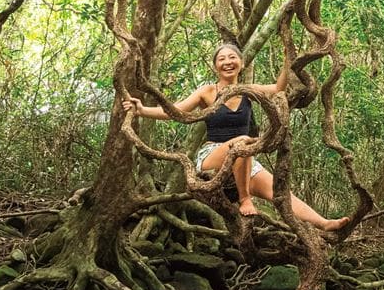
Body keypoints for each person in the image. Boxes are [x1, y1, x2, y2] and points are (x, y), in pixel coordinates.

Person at [121, 43, 349, 232]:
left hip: (244, 158)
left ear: (240, 64)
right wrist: (141, 110)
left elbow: (279, 87)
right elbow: (175, 111)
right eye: (222, 59)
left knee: (279, 191)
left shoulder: (247, 89)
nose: (227, 62)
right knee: (242, 142)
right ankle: (244, 199)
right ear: (215, 67)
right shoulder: (207, 92)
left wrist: (288, 58)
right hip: (212, 156)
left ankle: (324, 223)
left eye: (232, 57)